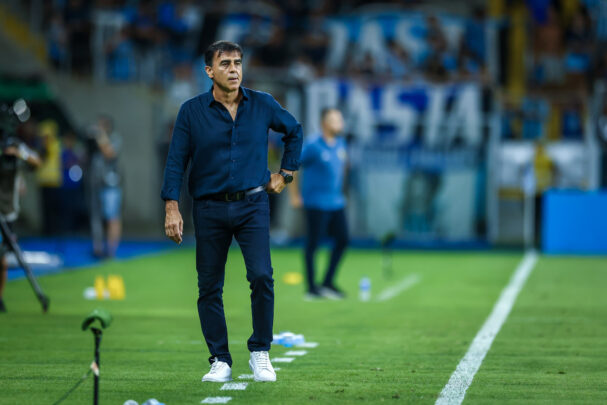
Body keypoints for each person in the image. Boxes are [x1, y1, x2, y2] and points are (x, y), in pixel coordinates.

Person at [161, 40, 302, 383]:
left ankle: (260, 352)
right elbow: (176, 161)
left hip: (253, 204)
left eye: (238, 63)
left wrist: (286, 174)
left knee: (262, 276)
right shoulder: (191, 111)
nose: (234, 69)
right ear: (209, 71)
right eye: (225, 64)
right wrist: (171, 207)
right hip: (208, 208)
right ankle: (220, 359)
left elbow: (294, 131)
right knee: (209, 286)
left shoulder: (263, 104)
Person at [290, 108, 349, 300]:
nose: (339, 123)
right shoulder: (314, 145)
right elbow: (294, 165)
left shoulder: (341, 144)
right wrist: (295, 194)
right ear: (325, 123)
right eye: (335, 120)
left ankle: (327, 282)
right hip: (316, 203)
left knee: (343, 240)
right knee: (313, 244)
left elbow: (342, 168)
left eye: (340, 119)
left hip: (336, 202)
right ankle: (311, 288)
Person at [0, 138, 41, 312]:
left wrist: (18, 153)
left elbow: (37, 162)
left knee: (2, 260)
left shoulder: (17, 149)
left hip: (9, 211)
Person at [89, 115, 123, 258]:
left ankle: (111, 250)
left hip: (111, 185)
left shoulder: (115, 139)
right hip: (95, 184)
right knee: (95, 217)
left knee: (112, 217)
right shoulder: (93, 142)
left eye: (101, 126)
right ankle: (97, 249)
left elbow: (109, 153)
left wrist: (101, 136)